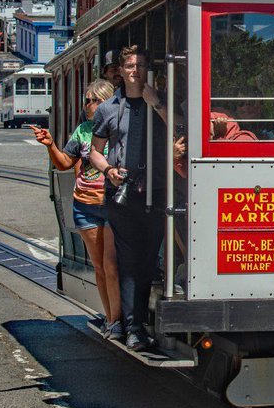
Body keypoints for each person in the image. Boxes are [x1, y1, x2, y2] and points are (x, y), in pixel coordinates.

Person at [89, 45, 170, 352]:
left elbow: (181, 126)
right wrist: (108, 170)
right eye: (130, 66)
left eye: (141, 65)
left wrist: (157, 102)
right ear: (120, 72)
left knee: (148, 261)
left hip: (157, 191)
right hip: (122, 195)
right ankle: (133, 328)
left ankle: (138, 324)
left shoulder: (159, 101)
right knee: (129, 261)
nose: (135, 70)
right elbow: (94, 150)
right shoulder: (109, 108)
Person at [30, 79, 121, 337]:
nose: (87, 105)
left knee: (113, 265)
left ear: (106, 102)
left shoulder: (118, 126)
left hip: (114, 203)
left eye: (93, 100)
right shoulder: (82, 130)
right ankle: (112, 319)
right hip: (86, 205)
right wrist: (50, 145)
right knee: (101, 267)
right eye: (86, 100)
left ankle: (120, 318)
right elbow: (65, 163)